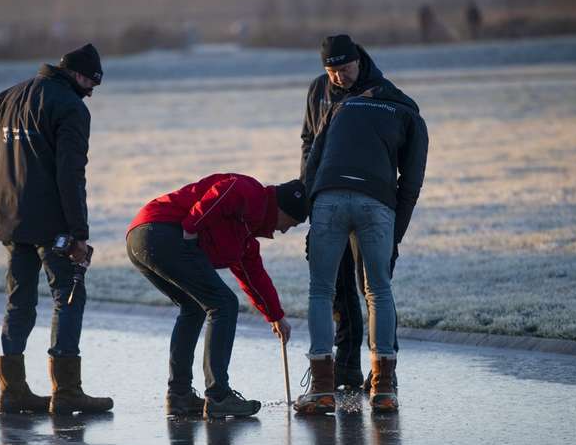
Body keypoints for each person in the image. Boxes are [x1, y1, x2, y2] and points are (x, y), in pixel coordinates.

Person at [297, 36, 428, 415]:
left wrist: (312, 207)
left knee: (319, 292)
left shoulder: (342, 108)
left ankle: (322, 388)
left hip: (329, 198)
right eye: (331, 70)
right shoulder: (408, 111)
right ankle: (384, 388)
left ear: (359, 61)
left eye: (344, 68)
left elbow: (316, 155)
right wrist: (394, 237)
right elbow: (411, 183)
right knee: (379, 292)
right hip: (376, 203)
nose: (338, 76)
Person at [0, 43, 113, 416]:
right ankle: (67, 390)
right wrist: (79, 234)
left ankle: (12, 390)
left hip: (11, 219)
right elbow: (71, 174)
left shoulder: (8, 96)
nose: (91, 92)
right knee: (69, 294)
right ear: (78, 75)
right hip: (52, 224)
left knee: (19, 300)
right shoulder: (70, 107)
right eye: (91, 83)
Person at [127, 174, 307, 418]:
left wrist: (275, 316)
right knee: (223, 304)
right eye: (292, 222)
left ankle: (179, 395)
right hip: (162, 231)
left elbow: (254, 277)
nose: (285, 230)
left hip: (142, 236)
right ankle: (218, 396)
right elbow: (225, 190)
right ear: (283, 208)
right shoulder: (253, 193)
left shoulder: (245, 239)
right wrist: (192, 225)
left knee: (193, 307)